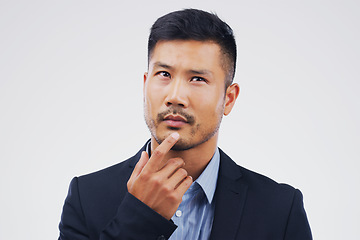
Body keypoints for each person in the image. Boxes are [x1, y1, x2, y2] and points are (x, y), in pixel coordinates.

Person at [58, 9, 312, 240]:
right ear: (145, 85)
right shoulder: (86, 197)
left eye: (198, 78)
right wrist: (138, 217)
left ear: (229, 99)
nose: (175, 96)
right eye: (164, 75)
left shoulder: (279, 209)